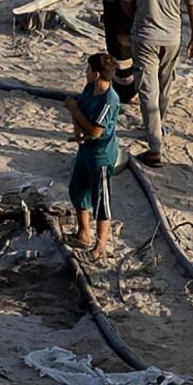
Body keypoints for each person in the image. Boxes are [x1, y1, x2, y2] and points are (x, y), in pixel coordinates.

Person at [118, 0, 193, 165]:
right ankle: (156, 127)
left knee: (147, 90)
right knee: (164, 86)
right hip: (172, 37)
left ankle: (155, 147)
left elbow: (125, 3)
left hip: (145, 37)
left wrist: (140, 17)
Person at [63, 54, 127, 263]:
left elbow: (96, 131)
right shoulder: (89, 89)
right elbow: (80, 110)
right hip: (86, 150)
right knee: (78, 189)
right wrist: (78, 132)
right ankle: (83, 234)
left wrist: (73, 110)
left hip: (101, 155)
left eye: (88, 69)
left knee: (101, 201)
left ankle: (100, 246)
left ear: (97, 74)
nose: (86, 72)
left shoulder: (109, 100)